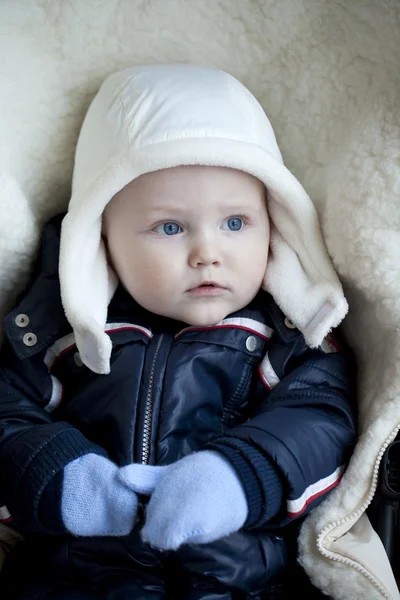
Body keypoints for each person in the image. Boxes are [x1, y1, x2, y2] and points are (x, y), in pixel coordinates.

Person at [0, 64, 356, 599]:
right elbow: (8, 410)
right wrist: (55, 471)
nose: (207, 252)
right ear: (101, 237)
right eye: (171, 227)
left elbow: (322, 418)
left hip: (240, 581)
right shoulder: (62, 330)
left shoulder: (286, 336)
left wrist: (242, 474)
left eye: (235, 223)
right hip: (76, 578)